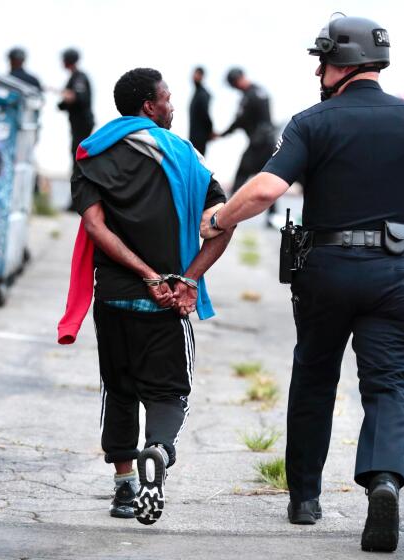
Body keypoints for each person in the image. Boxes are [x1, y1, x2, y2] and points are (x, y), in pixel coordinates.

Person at [201, 14, 404, 553]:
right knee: (387, 383)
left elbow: (264, 191)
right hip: (394, 273)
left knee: (315, 377)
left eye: (320, 61)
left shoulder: (311, 123)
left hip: (326, 271)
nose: (317, 71)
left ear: (337, 65)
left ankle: (304, 499)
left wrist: (218, 219)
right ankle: (385, 480)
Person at [56, 68, 233, 526]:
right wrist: (186, 279)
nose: (172, 106)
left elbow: (95, 227)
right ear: (149, 107)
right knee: (169, 390)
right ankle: (157, 450)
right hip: (168, 300)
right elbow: (223, 221)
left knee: (118, 388)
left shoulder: (92, 154)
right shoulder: (185, 156)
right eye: (167, 99)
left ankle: (122, 487)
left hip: (113, 298)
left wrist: (142, 274)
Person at [216, 67, 277, 225]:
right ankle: (272, 216)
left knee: (241, 174)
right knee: (269, 178)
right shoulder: (260, 91)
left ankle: (227, 212)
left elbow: (239, 121)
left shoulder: (249, 96)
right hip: (268, 141)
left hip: (259, 143)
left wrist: (222, 134)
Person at [57, 48, 95, 174]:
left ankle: (80, 186)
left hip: (82, 123)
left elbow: (80, 97)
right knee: (76, 153)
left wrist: (68, 96)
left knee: (79, 154)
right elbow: (64, 103)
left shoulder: (79, 77)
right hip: (76, 123)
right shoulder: (73, 77)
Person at [188, 66, 214, 155]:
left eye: (197, 74)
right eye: (194, 73)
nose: (194, 76)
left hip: (200, 137)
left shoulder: (203, 94)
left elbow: (205, 114)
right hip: (194, 136)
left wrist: (210, 131)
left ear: (202, 76)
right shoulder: (197, 93)